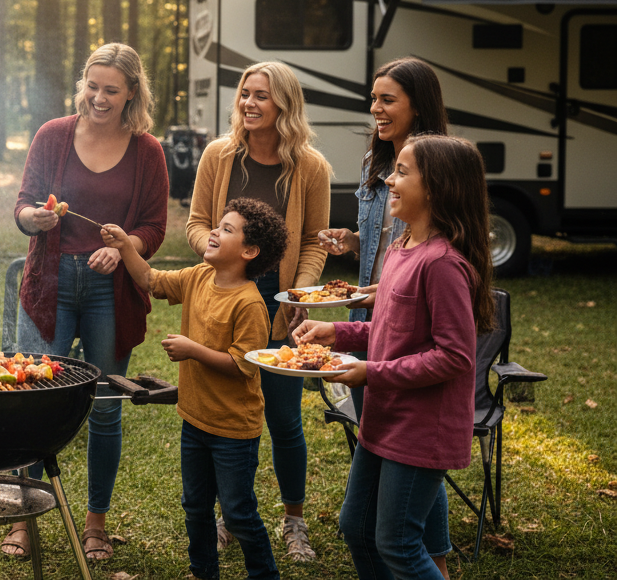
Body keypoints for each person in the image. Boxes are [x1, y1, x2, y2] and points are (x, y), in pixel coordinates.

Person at [294, 134, 496, 579]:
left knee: (398, 543)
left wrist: (369, 372)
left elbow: (455, 357)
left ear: (437, 188)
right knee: (358, 529)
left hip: (421, 427)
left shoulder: (442, 263)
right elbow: (390, 327)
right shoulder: (401, 248)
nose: (389, 179)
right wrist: (337, 332)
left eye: (402, 172)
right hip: (384, 418)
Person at [7, 43, 168, 562]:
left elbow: (154, 228)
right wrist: (34, 219)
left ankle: (95, 522)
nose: (98, 98)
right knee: (35, 401)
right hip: (50, 280)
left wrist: (122, 249)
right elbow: (24, 202)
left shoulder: (147, 151)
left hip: (109, 292)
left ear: (132, 93)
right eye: (92, 86)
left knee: (104, 407)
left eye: (111, 90)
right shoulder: (53, 135)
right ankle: (26, 515)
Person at [185, 61, 330, 562]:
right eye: (245, 93)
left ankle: (294, 520)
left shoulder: (311, 167)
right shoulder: (218, 156)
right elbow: (199, 222)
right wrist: (219, 253)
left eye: (261, 96)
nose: (249, 103)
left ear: (284, 105)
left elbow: (314, 242)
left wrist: (296, 295)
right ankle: (232, 512)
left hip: (283, 302)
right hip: (226, 296)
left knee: (284, 417)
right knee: (228, 414)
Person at [102, 197, 287, 580]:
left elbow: (243, 365)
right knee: (196, 506)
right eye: (217, 226)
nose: (214, 233)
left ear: (249, 251)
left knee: (238, 513)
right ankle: (203, 572)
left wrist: (194, 351)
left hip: (234, 429)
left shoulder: (250, 304)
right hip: (195, 419)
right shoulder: (199, 277)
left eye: (227, 230)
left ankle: (264, 574)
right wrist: (124, 247)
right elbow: (151, 281)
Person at [317, 56, 453, 576]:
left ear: (418, 104)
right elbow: (383, 242)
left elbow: (452, 348)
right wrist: (352, 242)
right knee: (383, 450)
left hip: (407, 320)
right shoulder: (375, 165)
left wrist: (389, 290)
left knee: (413, 461)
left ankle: (431, 559)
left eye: (387, 98)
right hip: (371, 315)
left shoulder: (441, 173)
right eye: (373, 98)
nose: (375, 108)